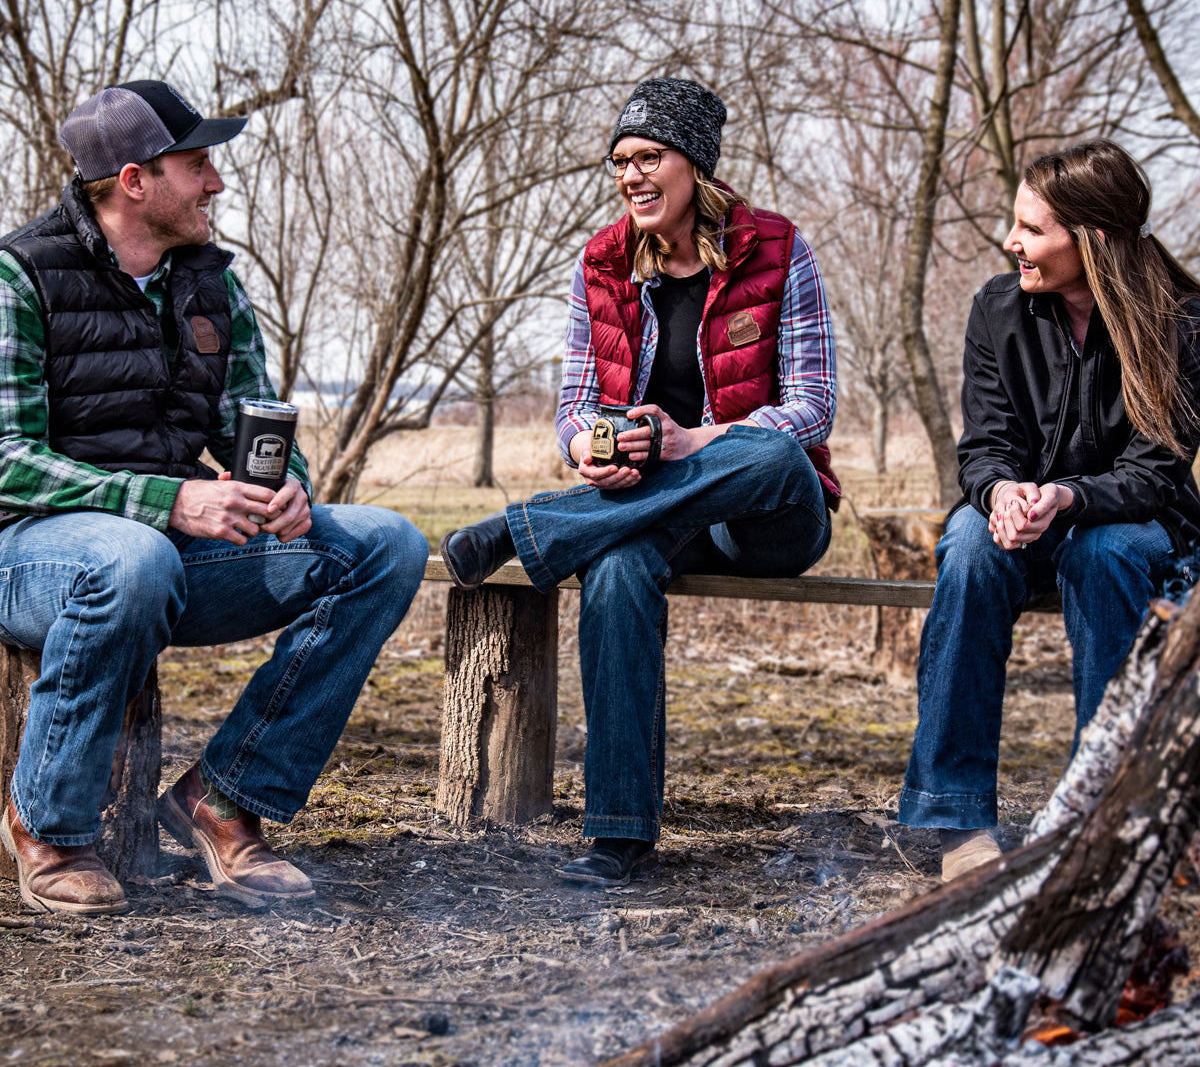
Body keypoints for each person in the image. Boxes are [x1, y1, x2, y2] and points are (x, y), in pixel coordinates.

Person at [0, 80, 428, 914]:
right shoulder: (18, 277)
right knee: (132, 556)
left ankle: (225, 796)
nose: (216, 183)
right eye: (196, 164)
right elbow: (4, 459)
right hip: (30, 556)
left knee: (385, 545)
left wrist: (287, 488)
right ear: (133, 179)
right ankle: (45, 822)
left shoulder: (211, 284)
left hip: (159, 555)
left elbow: (254, 426)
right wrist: (167, 501)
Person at [440, 78, 839, 885]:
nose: (632, 176)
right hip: (652, 510)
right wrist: (588, 450)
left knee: (767, 453)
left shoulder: (780, 248)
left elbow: (812, 408)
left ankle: (535, 528)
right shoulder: (603, 260)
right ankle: (618, 832)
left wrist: (696, 439)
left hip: (770, 511)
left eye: (650, 157)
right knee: (617, 568)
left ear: (696, 164)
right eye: (620, 162)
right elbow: (575, 406)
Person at [898, 139, 1200, 882]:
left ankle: (1100, 812)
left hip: (1134, 524)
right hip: (1017, 515)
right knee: (968, 546)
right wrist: (1003, 494)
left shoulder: (1183, 321)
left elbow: (1157, 468)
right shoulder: (999, 308)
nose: (1012, 242)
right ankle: (951, 816)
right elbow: (986, 445)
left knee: (1108, 552)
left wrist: (1067, 496)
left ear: (1091, 239)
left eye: (1031, 229)